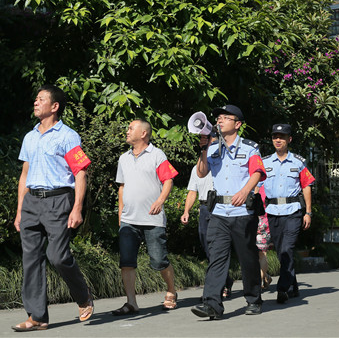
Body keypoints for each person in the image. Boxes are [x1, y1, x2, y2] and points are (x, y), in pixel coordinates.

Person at [12, 85, 94, 332]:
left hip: (59, 200)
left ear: (55, 106)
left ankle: (83, 296)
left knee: (57, 256)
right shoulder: (30, 137)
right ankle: (37, 317)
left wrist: (77, 208)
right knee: (31, 259)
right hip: (31, 202)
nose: (36, 102)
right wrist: (19, 210)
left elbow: (80, 173)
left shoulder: (67, 136)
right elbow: (24, 175)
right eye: (35, 99)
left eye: (41, 99)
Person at [191, 105, 266, 320]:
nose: (220, 120)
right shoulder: (213, 149)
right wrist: (204, 148)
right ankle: (212, 304)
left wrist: (245, 191)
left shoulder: (250, 148)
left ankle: (253, 298)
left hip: (242, 211)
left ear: (238, 124)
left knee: (247, 257)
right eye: (218, 117)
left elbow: (258, 172)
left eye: (226, 117)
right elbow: (202, 172)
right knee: (217, 257)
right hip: (219, 212)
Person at [112, 119, 179, 316]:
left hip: (152, 219)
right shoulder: (123, 158)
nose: (127, 131)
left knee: (159, 261)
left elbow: (168, 180)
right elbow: (122, 187)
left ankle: (171, 291)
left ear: (143, 133)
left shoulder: (157, 155)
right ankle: (131, 302)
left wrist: (160, 200)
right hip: (128, 220)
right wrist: (120, 215)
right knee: (126, 262)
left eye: (131, 128)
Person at [260, 124, 315, 304]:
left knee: (287, 248)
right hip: (272, 211)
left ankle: (282, 288)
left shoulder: (299, 162)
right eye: (275, 136)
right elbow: (256, 186)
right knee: (281, 251)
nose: (278, 140)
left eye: (282, 137)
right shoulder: (265, 162)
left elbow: (306, 186)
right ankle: (293, 284)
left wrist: (308, 212)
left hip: (293, 211)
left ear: (289, 139)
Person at [180, 164, 234, 298]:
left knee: (218, 248)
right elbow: (192, 191)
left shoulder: (223, 165)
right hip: (204, 209)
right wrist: (186, 211)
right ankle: (226, 280)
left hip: (220, 207)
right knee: (207, 247)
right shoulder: (196, 169)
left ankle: (218, 287)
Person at [256, 185, 272, 290]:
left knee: (261, 253)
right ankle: (265, 277)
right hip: (251, 220)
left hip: (263, 221)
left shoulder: (266, 185)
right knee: (257, 253)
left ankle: (260, 279)